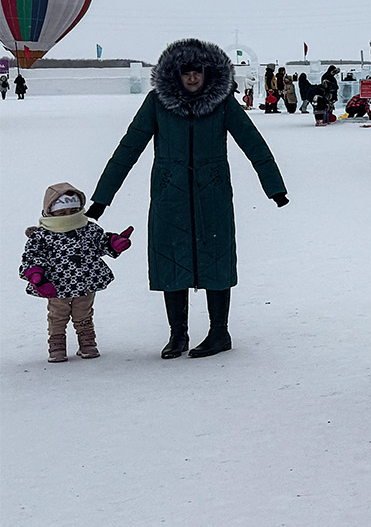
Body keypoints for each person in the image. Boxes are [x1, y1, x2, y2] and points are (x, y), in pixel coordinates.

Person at [89, 38, 289, 359]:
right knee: (171, 261)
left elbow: (253, 143)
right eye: (187, 72)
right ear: (176, 75)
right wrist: (102, 198)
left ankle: (219, 333)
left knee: (217, 260)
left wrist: (274, 187)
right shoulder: (158, 103)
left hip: (213, 194)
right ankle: (177, 335)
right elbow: (129, 148)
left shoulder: (222, 103)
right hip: (170, 195)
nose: (193, 78)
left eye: (198, 72)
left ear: (208, 73)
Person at [19, 182, 132, 362]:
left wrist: (114, 243)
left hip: (86, 281)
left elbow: (100, 243)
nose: (68, 216)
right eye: (62, 213)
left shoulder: (88, 229)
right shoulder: (42, 236)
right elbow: (32, 257)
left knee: (84, 313)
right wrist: (36, 275)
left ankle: (87, 344)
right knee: (57, 315)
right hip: (56, 285)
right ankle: (57, 348)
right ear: (50, 212)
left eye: (72, 211)